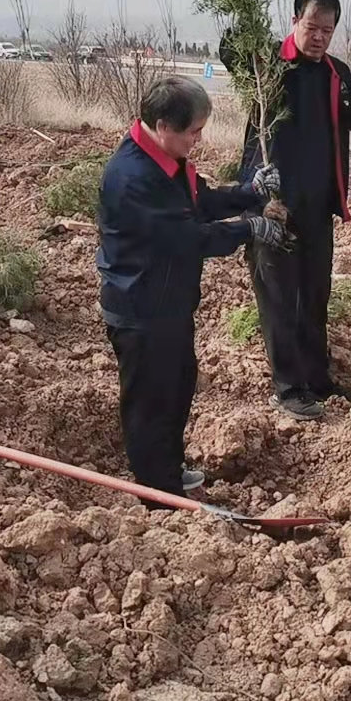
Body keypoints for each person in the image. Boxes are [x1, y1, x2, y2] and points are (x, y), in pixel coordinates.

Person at [97, 75, 287, 505]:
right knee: (151, 403)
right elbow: (188, 237)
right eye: (193, 131)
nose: (198, 139)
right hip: (140, 308)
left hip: (168, 302)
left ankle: (169, 469)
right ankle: (156, 491)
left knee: (178, 385)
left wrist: (247, 194)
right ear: (164, 126)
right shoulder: (134, 178)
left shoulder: (167, 160)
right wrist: (250, 229)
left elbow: (199, 201)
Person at [221, 0, 351, 421]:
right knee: (278, 298)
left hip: (317, 207)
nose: (319, 37)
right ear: (295, 21)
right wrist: (242, 25)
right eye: (312, 27)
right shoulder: (268, 65)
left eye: (327, 30)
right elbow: (230, 53)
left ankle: (317, 379)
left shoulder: (336, 73)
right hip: (272, 205)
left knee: (314, 296)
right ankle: (289, 388)